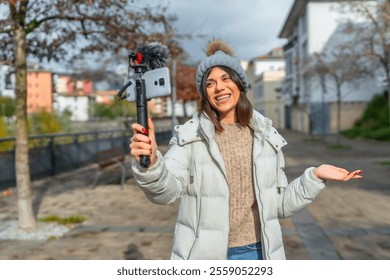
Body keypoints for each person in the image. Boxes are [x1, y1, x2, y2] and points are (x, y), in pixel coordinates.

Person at [129, 40, 362, 260]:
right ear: (205, 94)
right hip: (205, 256)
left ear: (240, 83)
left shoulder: (266, 136)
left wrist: (315, 176)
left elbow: (278, 205)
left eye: (225, 78)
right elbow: (166, 192)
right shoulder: (190, 137)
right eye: (209, 83)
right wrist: (151, 164)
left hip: (260, 253)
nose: (218, 87)